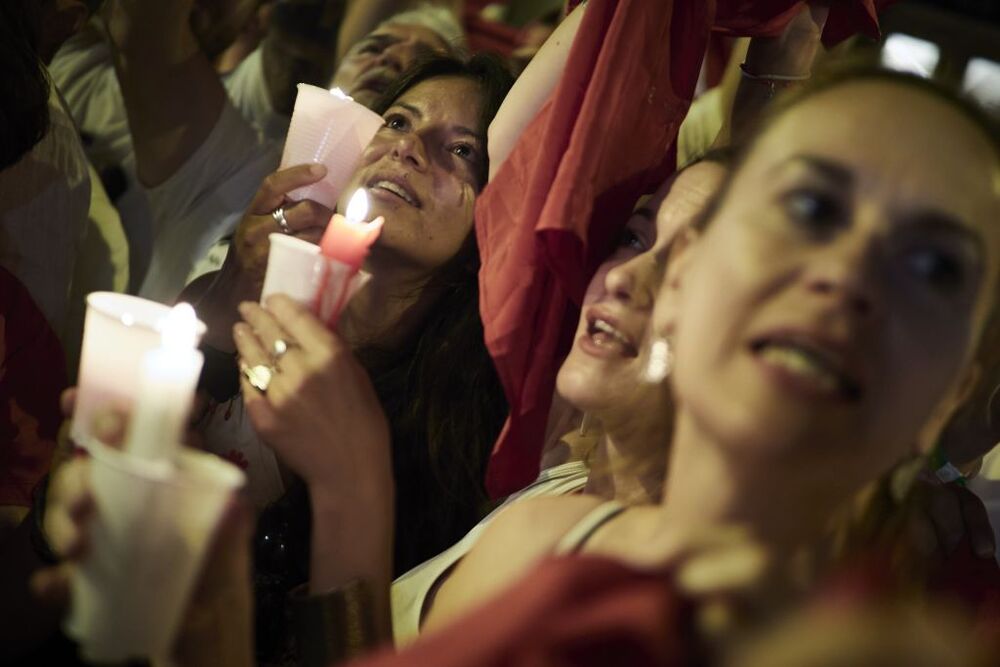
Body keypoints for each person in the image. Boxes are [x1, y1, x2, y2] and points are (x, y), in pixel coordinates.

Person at [193, 52, 513, 664]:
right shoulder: (242, 289)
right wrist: (231, 284)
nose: (409, 147)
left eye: (462, 149)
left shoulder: (457, 434)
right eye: (396, 121)